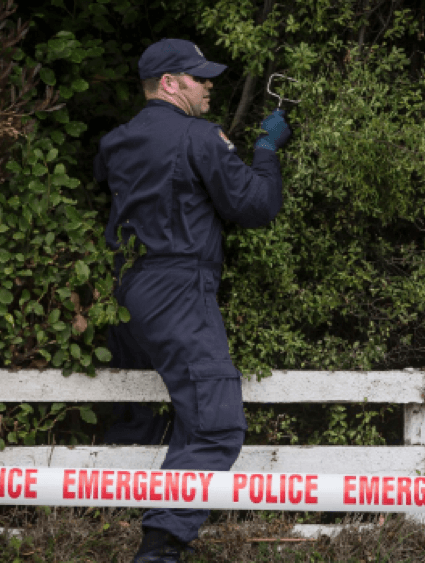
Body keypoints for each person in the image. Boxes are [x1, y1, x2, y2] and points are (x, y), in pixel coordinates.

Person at [93, 38, 293, 563]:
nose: (210, 86)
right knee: (215, 422)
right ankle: (159, 550)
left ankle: (99, 525)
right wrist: (267, 152)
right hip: (180, 287)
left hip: (126, 291)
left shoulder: (117, 141)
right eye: (199, 77)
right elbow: (254, 206)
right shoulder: (199, 136)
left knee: (148, 417)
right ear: (169, 84)